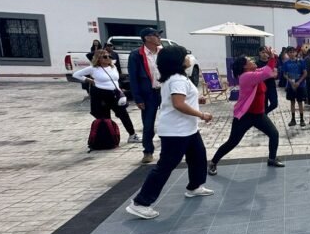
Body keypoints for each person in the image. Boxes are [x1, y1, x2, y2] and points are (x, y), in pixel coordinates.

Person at [126, 44, 213, 220]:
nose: (189, 58)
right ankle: (141, 203)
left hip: (188, 129)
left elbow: (180, 99)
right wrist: (201, 114)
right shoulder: (177, 80)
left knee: (198, 157)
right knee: (165, 166)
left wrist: (197, 100)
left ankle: (194, 187)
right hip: (176, 131)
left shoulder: (177, 78)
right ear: (178, 61)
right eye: (185, 56)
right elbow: (178, 104)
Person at [209, 49, 283, 175]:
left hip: (259, 115)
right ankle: (213, 162)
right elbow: (266, 72)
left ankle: (271, 159)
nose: (253, 60)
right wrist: (271, 58)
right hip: (245, 116)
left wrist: (273, 57)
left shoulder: (253, 72)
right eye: (249, 60)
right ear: (244, 66)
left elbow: (266, 70)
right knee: (232, 142)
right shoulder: (246, 76)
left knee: (274, 134)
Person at [73, 49, 141, 143]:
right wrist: (89, 80)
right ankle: (108, 138)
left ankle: (132, 135)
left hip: (115, 94)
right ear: (98, 58)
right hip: (101, 94)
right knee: (105, 117)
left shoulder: (113, 67)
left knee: (124, 114)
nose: (108, 58)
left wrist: (119, 89)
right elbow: (76, 75)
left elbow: (115, 80)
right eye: (105, 56)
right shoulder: (93, 68)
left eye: (109, 56)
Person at [128, 28, 163, 164]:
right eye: (156, 35)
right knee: (148, 124)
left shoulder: (162, 52)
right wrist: (137, 97)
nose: (159, 38)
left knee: (168, 120)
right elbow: (133, 78)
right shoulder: (137, 55)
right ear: (147, 38)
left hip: (164, 91)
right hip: (148, 93)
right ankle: (148, 151)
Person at [283, 47, 307, 127]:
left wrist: (298, 82)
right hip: (291, 86)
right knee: (292, 102)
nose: (292, 54)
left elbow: (305, 73)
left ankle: (302, 119)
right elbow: (284, 74)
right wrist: (290, 81)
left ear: (296, 53)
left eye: (293, 52)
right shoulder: (286, 63)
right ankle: (293, 119)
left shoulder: (301, 62)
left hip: (300, 85)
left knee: (300, 102)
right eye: (290, 52)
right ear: (287, 53)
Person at [256, 46, 278, 114]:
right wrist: (269, 74)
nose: (265, 54)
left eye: (266, 52)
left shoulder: (272, 61)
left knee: (274, 103)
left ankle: (264, 114)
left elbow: (275, 75)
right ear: (259, 53)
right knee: (264, 105)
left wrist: (266, 74)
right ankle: (264, 118)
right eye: (263, 52)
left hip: (271, 86)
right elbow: (258, 75)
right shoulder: (256, 64)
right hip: (262, 87)